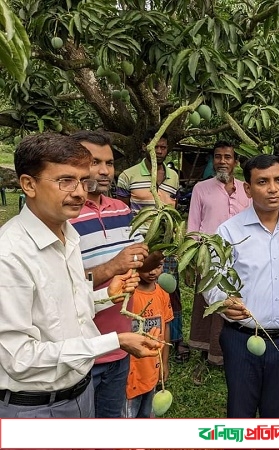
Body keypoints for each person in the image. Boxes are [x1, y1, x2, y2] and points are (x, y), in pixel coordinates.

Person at [0, 132, 160, 418]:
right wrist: (115, 341)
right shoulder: (9, 255)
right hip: (35, 408)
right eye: (65, 181)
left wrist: (104, 296)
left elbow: (61, 307)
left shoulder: (67, 234)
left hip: (78, 393)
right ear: (28, 184)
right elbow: (19, 358)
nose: (79, 192)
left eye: (82, 181)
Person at [204, 154, 279, 418]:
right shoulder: (228, 232)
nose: (273, 188)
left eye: (278, 180)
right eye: (263, 182)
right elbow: (212, 280)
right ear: (248, 188)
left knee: (276, 413)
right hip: (242, 340)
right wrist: (223, 303)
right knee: (240, 412)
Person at [69, 130, 154, 418]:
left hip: (121, 343)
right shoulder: (64, 215)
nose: (105, 171)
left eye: (110, 163)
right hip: (82, 351)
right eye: (94, 162)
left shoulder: (122, 210)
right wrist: (111, 268)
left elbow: (136, 264)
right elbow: (59, 285)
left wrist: (155, 255)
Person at [116, 128, 187, 362]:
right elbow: (122, 213)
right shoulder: (128, 175)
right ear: (145, 147)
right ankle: (136, 334)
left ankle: (173, 339)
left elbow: (174, 209)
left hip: (166, 245)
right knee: (137, 290)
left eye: (163, 147)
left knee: (169, 291)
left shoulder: (173, 176)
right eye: (155, 146)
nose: (159, 151)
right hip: (139, 244)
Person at [187, 141, 251, 373]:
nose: (222, 161)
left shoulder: (247, 189)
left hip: (240, 257)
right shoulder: (201, 188)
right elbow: (193, 225)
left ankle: (232, 350)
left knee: (235, 301)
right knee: (209, 303)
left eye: (227, 156)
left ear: (235, 161)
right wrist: (193, 257)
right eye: (218, 157)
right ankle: (209, 352)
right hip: (209, 256)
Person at [123, 260, 173, 418]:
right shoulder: (128, 294)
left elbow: (166, 326)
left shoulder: (163, 293)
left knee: (147, 415)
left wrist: (164, 363)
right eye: (147, 268)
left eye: (158, 267)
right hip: (130, 374)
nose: (153, 272)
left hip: (152, 368)